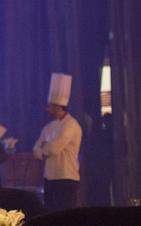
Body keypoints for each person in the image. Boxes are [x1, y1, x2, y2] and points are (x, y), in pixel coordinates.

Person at [34, 73, 82, 212]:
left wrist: (44, 148)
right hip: (49, 178)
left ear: (57, 106)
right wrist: (43, 149)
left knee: (65, 217)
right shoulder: (48, 127)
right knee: (50, 215)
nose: (47, 109)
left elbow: (55, 148)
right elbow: (35, 149)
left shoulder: (71, 125)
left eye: (49, 106)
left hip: (66, 178)